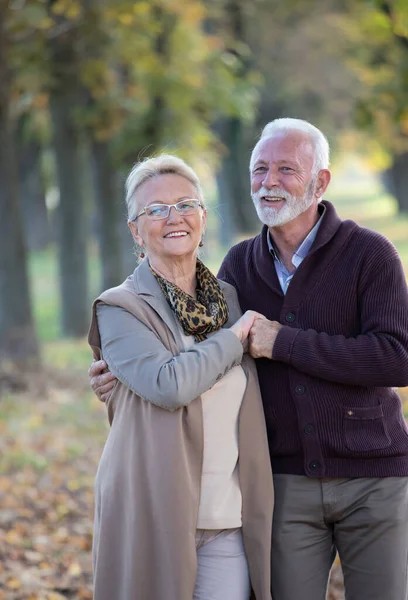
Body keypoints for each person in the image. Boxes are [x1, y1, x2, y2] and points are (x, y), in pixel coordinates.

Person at [91, 118, 408, 599]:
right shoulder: (239, 268)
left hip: (373, 477)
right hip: (284, 485)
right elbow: (189, 360)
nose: (269, 181)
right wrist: (119, 375)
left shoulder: (369, 254)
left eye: (286, 169)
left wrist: (284, 342)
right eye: (260, 169)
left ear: (320, 181)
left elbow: (397, 358)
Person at [87, 154, 273, 600]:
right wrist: (234, 339)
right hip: (151, 512)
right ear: (136, 229)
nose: (174, 217)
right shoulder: (120, 307)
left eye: (186, 204)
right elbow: (169, 385)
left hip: (227, 516)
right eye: (156, 209)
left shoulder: (227, 297)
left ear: (204, 218)